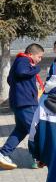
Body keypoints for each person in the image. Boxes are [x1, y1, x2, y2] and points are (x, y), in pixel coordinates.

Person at [0, 42, 46, 170]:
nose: (40, 60)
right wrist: (36, 69)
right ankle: (38, 158)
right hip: (26, 103)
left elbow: (10, 79)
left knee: (21, 130)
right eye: (39, 56)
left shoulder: (20, 61)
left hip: (20, 102)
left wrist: (21, 88)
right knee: (36, 130)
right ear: (31, 54)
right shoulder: (23, 60)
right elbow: (21, 72)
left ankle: (3, 153)